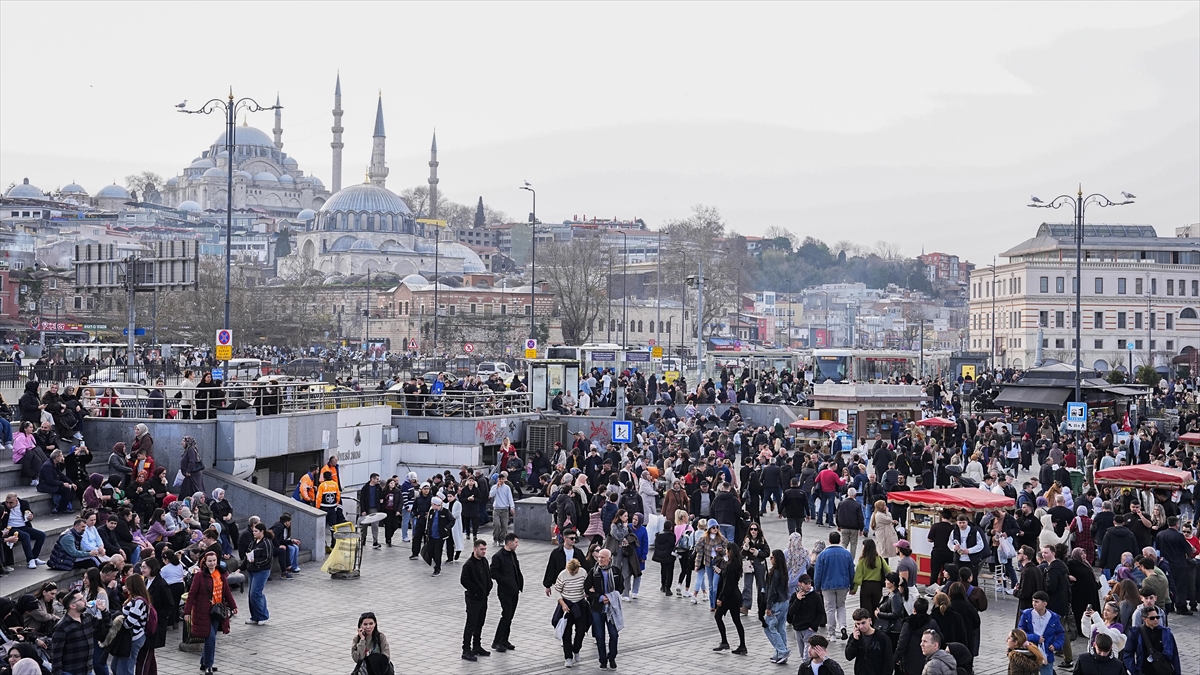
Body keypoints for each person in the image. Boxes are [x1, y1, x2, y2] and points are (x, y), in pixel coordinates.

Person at [182, 550, 237, 675]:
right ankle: (209, 665)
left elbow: (226, 591)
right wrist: (187, 612)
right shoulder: (199, 576)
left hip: (217, 610)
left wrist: (233, 605)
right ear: (205, 563)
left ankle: (203, 662)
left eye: (214, 561)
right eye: (209, 561)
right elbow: (192, 595)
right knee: (210, 637)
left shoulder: (221, 574)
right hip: (203, 611)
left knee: (211, 638)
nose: (212, 563)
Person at [584, 548, 624, 671]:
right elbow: (586, 589)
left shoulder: (616, 571)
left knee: (614, 634)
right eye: (599, 557)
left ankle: (612, 657)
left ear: (609, 559)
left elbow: (621, 587)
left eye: (602, 557)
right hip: (597, 608)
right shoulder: (593, 572)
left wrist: (611, 597)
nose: (599, 559)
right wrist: (600, 597)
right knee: (600, 636)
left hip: (611, 608)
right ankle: (602, 660)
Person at [814, 530, 855, 641]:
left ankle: (831, 633)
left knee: (830, 609)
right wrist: (852, 585)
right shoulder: (847, 554)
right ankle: (843, 626)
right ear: (840, 540)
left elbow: (818, 573)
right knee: (841, 605)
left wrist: (817, 587)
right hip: (843, 584)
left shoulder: (822, 555)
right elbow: (851, 570)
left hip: (827, 585)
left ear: (829, 540)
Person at [552, 556, 590, 668]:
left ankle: (576, 649)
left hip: (580, 604)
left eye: (575, 572)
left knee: (581, 630)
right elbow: (557, 590)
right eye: (571, 572)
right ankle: (568, 657)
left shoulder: (583, 572)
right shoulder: (562, 574)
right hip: (567, 605)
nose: (573, 573)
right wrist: (562, 604)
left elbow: (586, 585)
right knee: (566, 632)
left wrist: (587, 592)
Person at [488, 532, 523, 652]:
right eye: (516, 542)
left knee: (510, 617)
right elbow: (493, 573)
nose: (517, 544)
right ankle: (496, 641)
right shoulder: (498, 556)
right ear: (509, 543)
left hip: (514, 590)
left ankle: (504, 639)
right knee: (506, 615)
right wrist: (505, 580)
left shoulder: (512, 554)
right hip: (505, 591)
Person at [1120, 606, 1180, 675]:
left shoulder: (1166, 633)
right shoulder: (1136, 633)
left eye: (1157, 617)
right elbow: (1128, 654)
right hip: (1144, 671)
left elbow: (1175, 655)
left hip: (1163, 671)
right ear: (1144, 619)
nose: (1156, 620)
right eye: (1152, 618)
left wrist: (1177, 672)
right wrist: (1134, 671)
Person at [1017, 592, 1066, 675]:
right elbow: (1021, 632)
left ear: (1044, 604)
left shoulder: (1053, 618)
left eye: (1036, 601)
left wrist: (1056, 645)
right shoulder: (1027, 615)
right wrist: (1034, 637)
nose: (1033, 604)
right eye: (1033, 601)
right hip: (1029, 651)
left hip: (1046, 652)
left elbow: (1061, 633)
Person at [50, 590, 97, 675]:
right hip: (71, 671)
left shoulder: (87, 618)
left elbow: (106, 626)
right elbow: (56, 652)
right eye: (81, 599)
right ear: (72, 605)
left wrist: (104, 611)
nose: (85, 600)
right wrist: (58, 672)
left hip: (88, 670)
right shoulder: (62, 626)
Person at [712, 542, 747, 654]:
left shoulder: (731, 565)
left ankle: (724, 641)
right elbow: (729, 579)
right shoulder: (735, 564)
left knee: (718, 616)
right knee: (737, 621)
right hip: (735, 596)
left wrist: (720, 598)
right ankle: (742, 645)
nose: (726, 552)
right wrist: (722, 572)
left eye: (727, 550)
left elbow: (728, 585)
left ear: (730, 551)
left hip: (729, 597)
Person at [460, 539, 492, 661]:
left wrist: (488, 587)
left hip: (483, 598)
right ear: (475, 549)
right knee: (471, 624)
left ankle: (476, 646)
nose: (484, 551)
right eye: (481, 549)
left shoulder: (484, 561)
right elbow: (464, 580)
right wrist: (476, 590)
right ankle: (466, 649)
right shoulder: (469, 565)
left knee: (480, 622)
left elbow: (487, 576)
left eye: (485, 549)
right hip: (473, 599)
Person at [111, 574, 149, 675]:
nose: (125, 587)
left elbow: (129, 623)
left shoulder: (139, 602)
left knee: (125, 670)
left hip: (134, 638)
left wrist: (119, 619)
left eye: (127, 585)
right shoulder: (134, 600)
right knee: (115, 667)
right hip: (127, 638)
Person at [1, 493, 47, 569]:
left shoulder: (24, 503)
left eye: (11, 502)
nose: (8, 504)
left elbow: (30, 513)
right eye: (7, 502)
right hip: (11, 528)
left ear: (16, 501)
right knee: (25, 536)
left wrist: (31, 516)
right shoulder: (3, 506)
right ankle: (30, 559)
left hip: (23, 526)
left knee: (41, 535)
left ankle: (35, 557)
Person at [896, 597, 939, 675]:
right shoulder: (932, 623)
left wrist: (897, 656)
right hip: (928, 659)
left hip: (910, 661)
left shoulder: (908, 623)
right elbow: (939, 640)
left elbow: (902, 641)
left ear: (914, 609)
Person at [845, 607, 894, 675]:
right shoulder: (855, 637)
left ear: (870, 620)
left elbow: (889, 663)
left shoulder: (882, 638)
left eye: (863, 623)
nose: (861, 627)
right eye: (858, 624)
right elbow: (848, 656)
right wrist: (854, 641)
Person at [852, 539, 890, 623]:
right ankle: (875, 625)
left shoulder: (862, 561)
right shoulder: (880, 559)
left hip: (866, 587)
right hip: (877, 587)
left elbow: (858, 578)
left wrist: (854, 589)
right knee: (876, 608)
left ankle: (867, 625)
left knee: (866, 610)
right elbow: (888, 571)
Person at [244, 523, 272, 626]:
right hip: (252, 570)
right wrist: (241, 567)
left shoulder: (266, 542)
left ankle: (263, 615)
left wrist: (255, 561)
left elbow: (267, 558)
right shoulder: (253, 543)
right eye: (253, 531)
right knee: (251, 595)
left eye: (256, 531)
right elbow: (247, 555)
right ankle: (255, 617)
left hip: (262, 571)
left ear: (262, 532)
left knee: (256, 593)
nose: (254, 533)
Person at [422, 496, 454, 577]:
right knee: (430, 551)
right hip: (431, 535)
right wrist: (427, 531)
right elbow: (428, 522)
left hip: (440, 536)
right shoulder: (432, 511)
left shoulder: (445, 512)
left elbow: (452, 520)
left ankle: (437, 568)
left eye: (432, 504)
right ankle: (433, 562)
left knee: (437, 552)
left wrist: (446, 528)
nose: (432, 506)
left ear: (437, 505)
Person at [836, 488, 866, 559]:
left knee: (844, 543)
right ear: (855, 495)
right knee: (853, 544)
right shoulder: (857, 505)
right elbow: (860, 518)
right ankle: (851, 560)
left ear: (847, 493)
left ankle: (842, 559)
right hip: (854, 528)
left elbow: (837, 515)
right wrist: (861, 529)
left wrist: (839, 525)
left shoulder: (841, 503)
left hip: (844, 527)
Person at [269, 513, 301, 578]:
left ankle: (288, 566)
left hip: (272, 545)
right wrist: (278, 545)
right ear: (286, 522)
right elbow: (273, 535)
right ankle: (284, 572)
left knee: (285, 547)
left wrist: (291, 541)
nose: (290, 523)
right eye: (289, 522)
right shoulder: (280, 526)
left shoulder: (281, 526)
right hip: (270, 546)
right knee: (282, 550)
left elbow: (281, 540)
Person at [357, 474, 384, 549]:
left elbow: (382, 495)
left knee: (375, 525)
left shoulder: (378, 487)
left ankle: (375, 541)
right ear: (372, 479)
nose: (378, 480)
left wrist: (381, 500)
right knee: (364, 525)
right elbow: (362, 500)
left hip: (375, 508)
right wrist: (363, 510)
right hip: (367, 508)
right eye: (377, 479)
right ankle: (363, 539)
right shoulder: (365, 488)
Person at [489, 472, 515, 545]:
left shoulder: (507, 488)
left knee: (504, 525)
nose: (501, 481)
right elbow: (491, 495)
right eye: (500, 479)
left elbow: (510, 498)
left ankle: (501, 539)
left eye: (502, 479)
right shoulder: (494, 487)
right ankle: (495, 538)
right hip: (496, 509)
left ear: (504, 480)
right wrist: (497, 487)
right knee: (496, 524)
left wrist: (512, 507)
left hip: (505, 509)